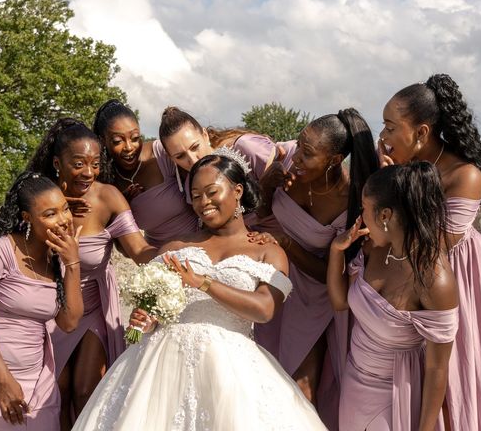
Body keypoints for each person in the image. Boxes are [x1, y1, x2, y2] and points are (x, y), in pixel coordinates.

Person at [71, 153, 327, 430]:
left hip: (231, 369)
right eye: (195, 196)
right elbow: (153, 310)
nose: (203, 203)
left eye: (211, 192)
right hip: (162, 366)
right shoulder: (174, 247)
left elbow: (265, 309)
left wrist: (203, 282)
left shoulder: (268, 251)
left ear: (237, 191)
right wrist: (144, 319)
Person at [378, 74, 481, 430]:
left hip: (457, 272)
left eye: (389, 128)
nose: (383, 138)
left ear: (421, 133)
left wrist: (397, 190)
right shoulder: (401, 168)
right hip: (414, 270)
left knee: (457, 362)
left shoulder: (465, 175)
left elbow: (433, 246)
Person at [26, 117, 158, 428]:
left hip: (94, 305)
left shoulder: (108, 196)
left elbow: (139, 250)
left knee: (86, 389)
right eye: (79, 163)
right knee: (54, 392)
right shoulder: (38, 197)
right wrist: (52, 211)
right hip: (49, 307)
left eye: (95, 163)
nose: (88, 172)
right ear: (58, 163)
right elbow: (21, 251)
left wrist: (179, 254)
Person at [253, 109, 379, 428]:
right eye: (300, 145)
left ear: (335, 160)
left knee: (301, 389)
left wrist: (288, 243)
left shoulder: (351, 199)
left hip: (315, 294)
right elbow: (261, 213)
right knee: (263, 380)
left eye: (308, 155)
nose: (297, 158)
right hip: (271, 280)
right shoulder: (287, 161)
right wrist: (267, 187)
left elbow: (330, 273)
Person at [0, 172, 84, 430]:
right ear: (27, 218)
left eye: (64, 209)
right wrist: (4, 379)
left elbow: (70, 322)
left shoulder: (59, 260)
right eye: (50, 214)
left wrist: (73, 264)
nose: (63, 219)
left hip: (36, 378)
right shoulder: (1, 250)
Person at [327, 162, 459, 430]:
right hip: (354, 385)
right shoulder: (373, 249)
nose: (360, 217)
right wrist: (335, 251)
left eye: (364, 209)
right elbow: (341, 303)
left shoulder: (435, 280)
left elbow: (437, 369)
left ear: (385, 215)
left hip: (395, 394)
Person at [92, 99, 197, 247]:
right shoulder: (105, 182)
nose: (129, 147)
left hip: (200, 243)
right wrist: (123, 207)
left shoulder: (161, 153)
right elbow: (124, 250)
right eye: (117, 141)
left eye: (135, 138)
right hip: (157, 259)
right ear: (103, 141)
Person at [158, 106, 281, 232]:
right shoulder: (192, 183)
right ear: (171, 158)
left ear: (205, 135)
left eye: (195, 147)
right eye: (180, 156)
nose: (193, 159)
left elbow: (286, 183)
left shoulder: (246, 148)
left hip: (289, 231)